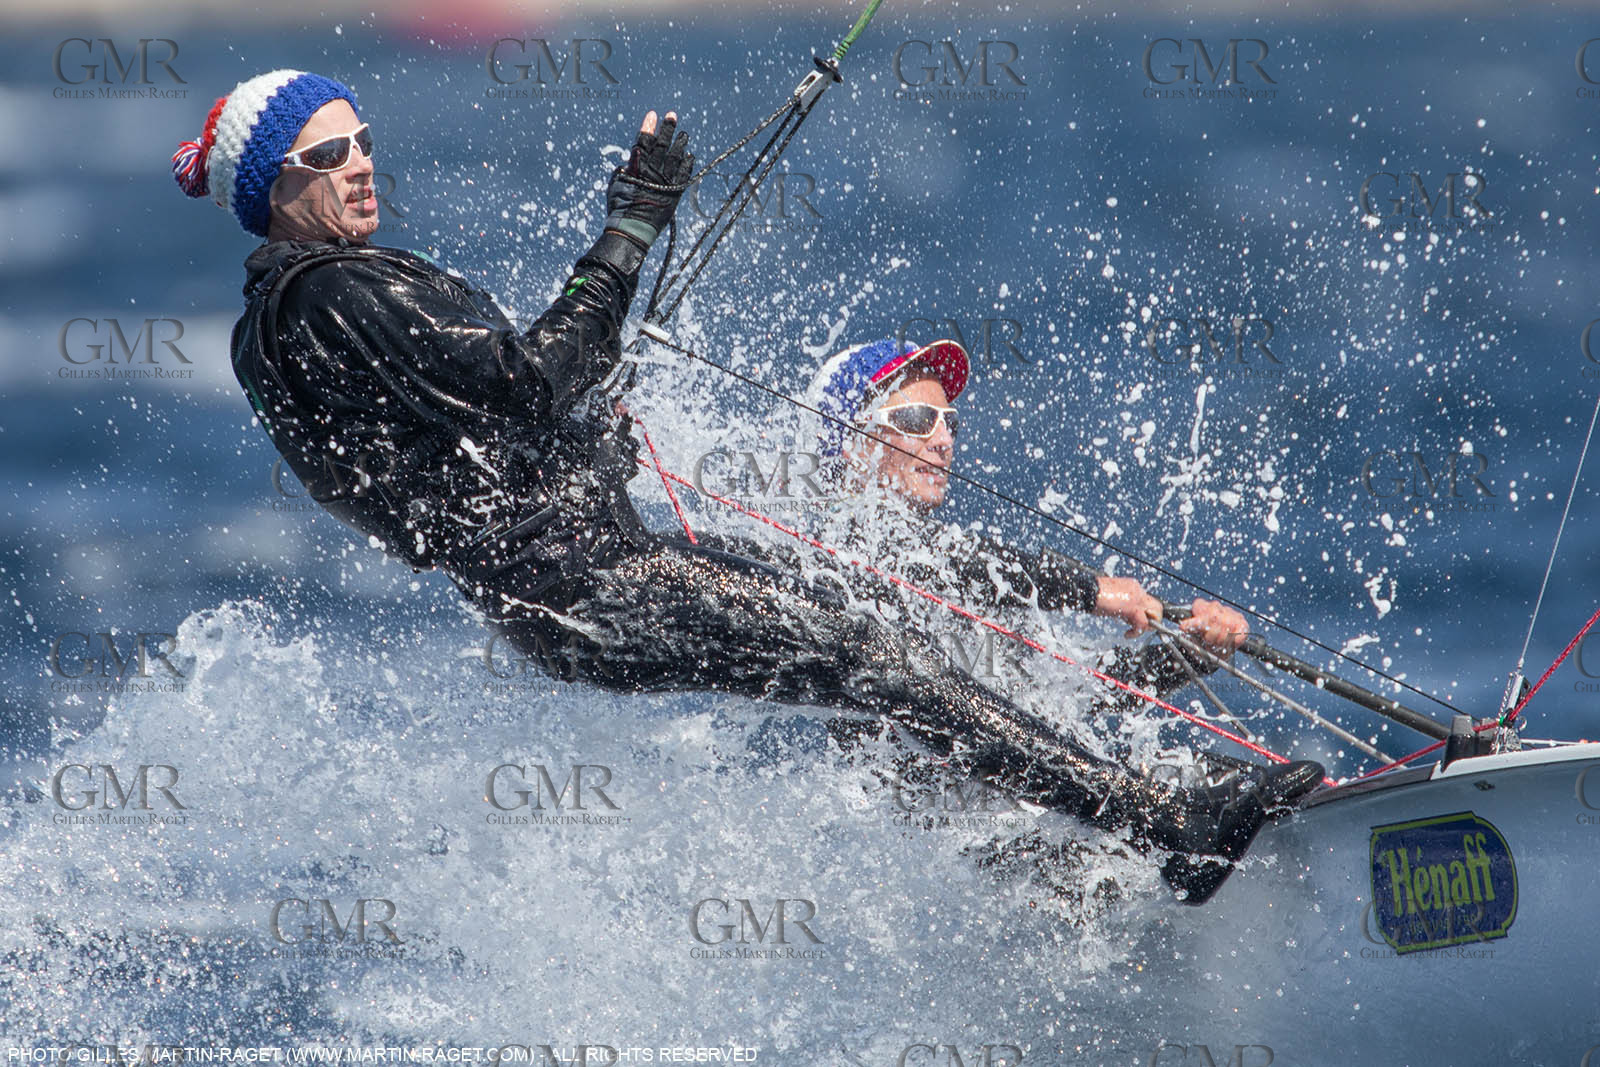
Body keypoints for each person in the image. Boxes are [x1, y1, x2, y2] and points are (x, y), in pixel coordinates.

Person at [176, 69, 1320, 901]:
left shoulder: (289, 318)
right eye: (327, 155)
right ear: (271, 186)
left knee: (873, 624)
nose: (359, 162)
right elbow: (525, 382)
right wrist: (631, 226)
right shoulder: (330, 293)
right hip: (588, 585)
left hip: (583, 582)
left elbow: (459, 449)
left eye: (362, 138)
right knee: (871, 655)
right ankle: (1163, 823)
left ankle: (1069, 832)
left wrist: (578, 447)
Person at [802, 336, 1250, 723]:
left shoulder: (946, 582)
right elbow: (962, 562)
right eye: (919, 420)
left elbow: (1068, 697)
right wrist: (1093, 590)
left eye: (949, 422)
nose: (943, 441)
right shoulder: (844, 557)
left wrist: (1188, 655)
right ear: (851, 443)